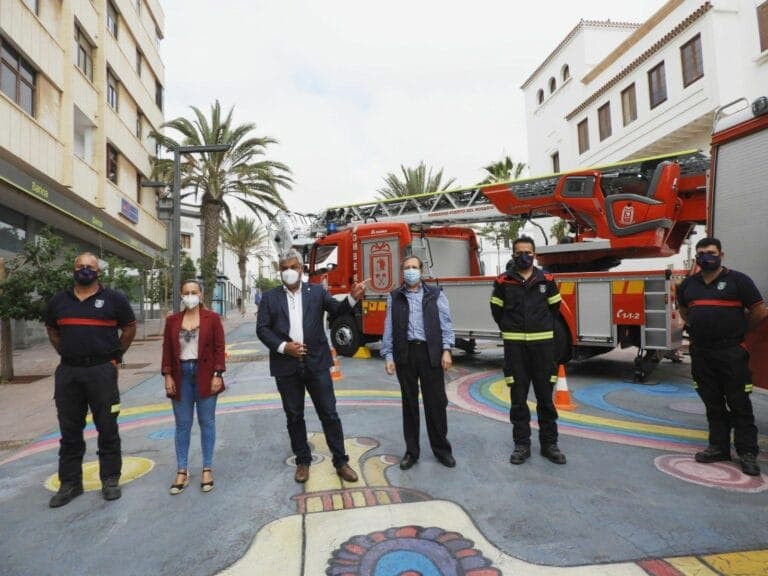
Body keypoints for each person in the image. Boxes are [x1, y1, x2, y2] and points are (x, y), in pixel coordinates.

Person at [256, 249, 366, 483]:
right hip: (286, 367)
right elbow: (263, 329)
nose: (288, 272)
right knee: (294, 416)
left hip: (316, 364)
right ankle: (303, 460)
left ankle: (341, 461)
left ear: (302, 269)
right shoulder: (269, 297)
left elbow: (337, 310)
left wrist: (353, 298)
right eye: (284, 268)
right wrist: (285, 347)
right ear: (279, 271)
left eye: (293, 267)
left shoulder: (316, 292)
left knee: (329, 413)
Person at [44, 252, 137, 507]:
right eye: (80, 266)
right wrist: (65, 351)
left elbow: (129, 328)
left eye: (90, 267)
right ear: (73, 270)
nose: (84, 270)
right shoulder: (59, 301)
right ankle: (70, 484)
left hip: (102, 372)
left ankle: (110, 479)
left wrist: (115, 357)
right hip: (69, 374)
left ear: (98, 272)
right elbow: (52, 329)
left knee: (107, 427)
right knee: (69, 431)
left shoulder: (114, 299)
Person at [677, 237, 767, 476]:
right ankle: (718, 447)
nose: (706, 257)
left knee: (740, 403)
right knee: (712, 403)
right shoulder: (688, 285)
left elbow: (759, 311)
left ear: (721, 255)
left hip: (732, 353)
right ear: (697, 257)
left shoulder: (739, 281)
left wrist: (740, 332)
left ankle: (747, 453)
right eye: (702, 253)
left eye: (711, 252)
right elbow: (685, 312)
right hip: (702, 353)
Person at [490, 236, 566, 465]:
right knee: (518, 400)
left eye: (529, 252)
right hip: (515, 351)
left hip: (543, 349)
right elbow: (497, 311)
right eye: (520, 252)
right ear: (513, 254)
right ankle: (522, 445)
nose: (525, 255)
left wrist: (540, 329)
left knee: (545, 399)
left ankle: (549, 445)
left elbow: (554, 309)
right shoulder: (503, 282)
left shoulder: (547, 280)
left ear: (534, 254)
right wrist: (511, 329)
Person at [380, 255, 456, 471]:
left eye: (414, 267)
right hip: (405, 354)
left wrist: (447, 350)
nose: (410, 270)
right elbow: (389, 327)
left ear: (421, 271)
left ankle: (442, 450)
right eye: (407, 267)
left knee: (436, 403)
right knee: (409, 405)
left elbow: (446, 324)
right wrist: (388, 356)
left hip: (430, 352)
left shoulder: (435, 294)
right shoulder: (394, 297)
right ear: (402, 271)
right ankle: (411, 452)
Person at [161, 280, 226, 494]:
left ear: (201, 294)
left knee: (207, 422)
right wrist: (167, 375)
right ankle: (182, 470)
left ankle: (207, 467)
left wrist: (218, 374)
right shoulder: (172, 321)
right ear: (181, 295)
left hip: (206, 374)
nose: (190, 296)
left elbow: (219, 348)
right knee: (182, 424)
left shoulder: (213, 319)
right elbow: (167, 350)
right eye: (186, 292)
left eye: (194, 292)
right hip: (181, 376)